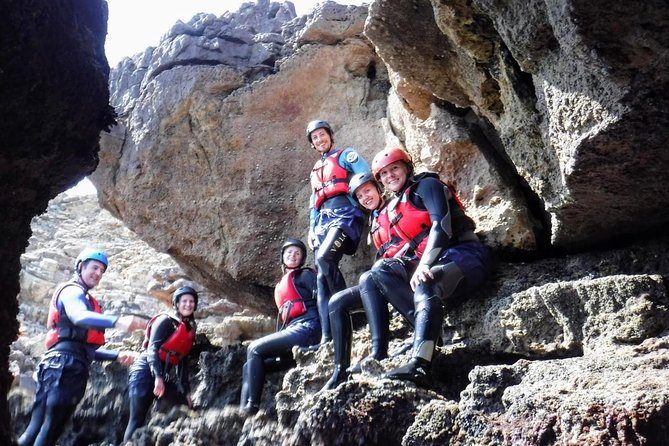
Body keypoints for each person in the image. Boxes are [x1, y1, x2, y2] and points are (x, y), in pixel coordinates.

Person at [363, 147, 492, 386]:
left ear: (406, 167)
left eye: (395, 169)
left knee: (425, 282)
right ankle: (427, 336)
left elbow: (441, 226)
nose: (390, 176)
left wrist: (424, 264)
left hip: (466, 255)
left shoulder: (427, 186)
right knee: (377, 272)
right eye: (384, 174)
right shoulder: (397, 203)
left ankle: (421, 365)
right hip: (439, 260)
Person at [18, 248, 147, 446]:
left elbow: (82, 349)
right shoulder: (73, 291)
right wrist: (118, 321)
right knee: (51, 428)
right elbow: (79, 316)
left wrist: (117, 355)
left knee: (37, 427)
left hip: (57, 363)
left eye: (102, 271)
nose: (98, 273)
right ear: (80, 267)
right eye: (94, 267)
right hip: (66, 367)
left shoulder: (79, 295)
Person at [322, 172, 417, 390]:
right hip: (387, 275)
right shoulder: (374, 220)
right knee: (336, 302)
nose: (366, 197)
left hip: (409, 270)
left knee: (369, 276)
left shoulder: (397, 205)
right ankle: (340, 370)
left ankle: (381, 350)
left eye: (368, 191)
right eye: (360, 196)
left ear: (378, 188)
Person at [306, 119, 370, 345]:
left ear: (330, 136)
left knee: (324, 258)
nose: (319, 139)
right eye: (315, 138)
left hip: (345, 214)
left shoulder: (346, 155)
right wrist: (312, 229)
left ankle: (354, 310)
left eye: (322, 135)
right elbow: (314, 203)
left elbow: (365, 176)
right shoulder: (315, 171)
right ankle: (328, 335)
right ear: (312, 144)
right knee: (321, 277)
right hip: (323, 221)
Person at [239, 239, 320, 415]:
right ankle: (242, 413)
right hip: (295, 332)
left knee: (254, 348)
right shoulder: (281, 286)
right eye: (289, 252)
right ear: (282, 257)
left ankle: (252, 407)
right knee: (249, 365)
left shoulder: (305, 276)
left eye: (297, 253)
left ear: (302, 259)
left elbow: (323, 300)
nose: (293, 255)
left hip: (309, 328)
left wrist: (328, 336)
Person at [123, 286, 198, 441]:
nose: (188, 304)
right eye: (184, 301)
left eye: (191, 301)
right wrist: (157, 377)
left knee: (184, 406)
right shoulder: (165, 321)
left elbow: (182, 362)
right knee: (137, 418)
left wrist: (187, 392)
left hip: (161, 376)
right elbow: (152, 349)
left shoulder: (189, 329)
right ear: (176, 304)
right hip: (144, 373)